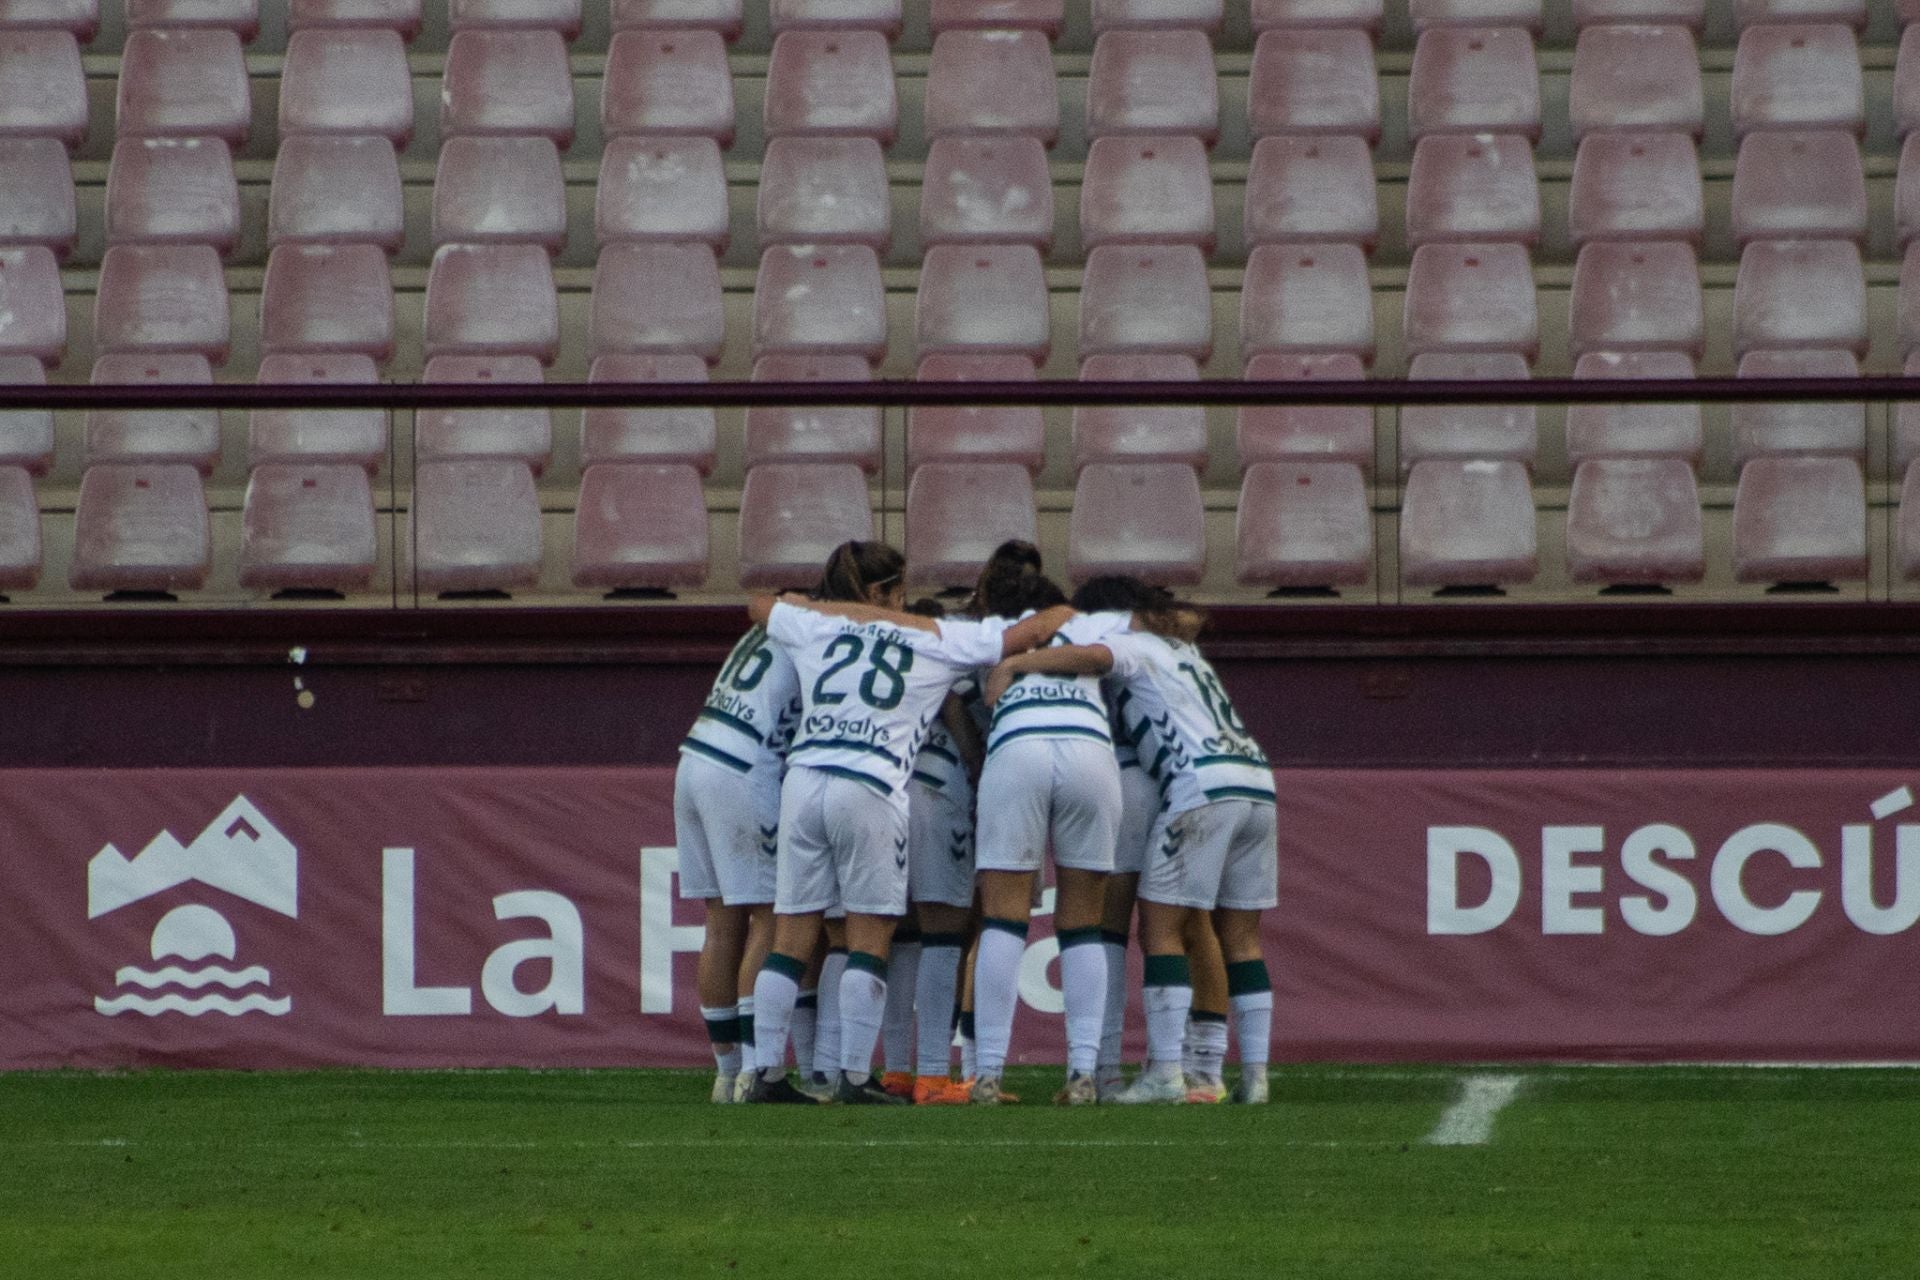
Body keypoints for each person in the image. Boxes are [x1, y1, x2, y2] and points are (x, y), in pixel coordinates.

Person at [741, 541, 1071, 1104]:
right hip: (870, 783)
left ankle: (766, 1076)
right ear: (887, 592)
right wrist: (1065, 614)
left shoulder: (817, 623)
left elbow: (759, 605)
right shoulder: (935, 636)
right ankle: (854, 1077)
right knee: (871, 939)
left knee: (791, 936)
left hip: (804, 778)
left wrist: (843, 611)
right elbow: (1035, 628)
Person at [982, 576, 1277, 1105]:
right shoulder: (1181, 646)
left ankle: (1124, 1068)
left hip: (1155, 778)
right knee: (1216, 929)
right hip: (1251, 780)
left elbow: (1095, 657)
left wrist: (1015, 664)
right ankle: (1222, 1070)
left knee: (1127, 925)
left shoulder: (1121, 643)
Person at [969, 562, 1133, 1106]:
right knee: (1083, 922)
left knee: (1003, 918)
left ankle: (988, 1074)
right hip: (1089, 751)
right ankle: (1083, 1073)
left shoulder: (991, 634)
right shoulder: (1090, 623)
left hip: (1017, 749)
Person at [673, 617, 801, 1103]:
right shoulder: (817, 631)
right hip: (743, 769)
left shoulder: (769, 626)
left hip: (694, 758)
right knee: (769, 917)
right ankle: (753, 1069)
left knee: (721, 922)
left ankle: (726, 1075)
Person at [877, 598, 985, 1106]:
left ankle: (897, 1070)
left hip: (887, 791)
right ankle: (935, 1075)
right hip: (938, 789)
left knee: (901, 933)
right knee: (944, 932)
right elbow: (954, 705)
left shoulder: (881, 655)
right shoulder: (944, 657)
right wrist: (976, 760)